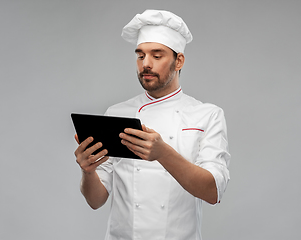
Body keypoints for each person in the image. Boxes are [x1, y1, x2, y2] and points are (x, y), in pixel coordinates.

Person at [74, 9, 231, 240]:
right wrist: (87, 172)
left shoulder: (206, 115)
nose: (145, 64)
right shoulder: (116, 114)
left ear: (179, 60)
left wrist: (162, 153)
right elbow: (96, 200)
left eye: (157, 56)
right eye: (140, 56)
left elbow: (212, 192)